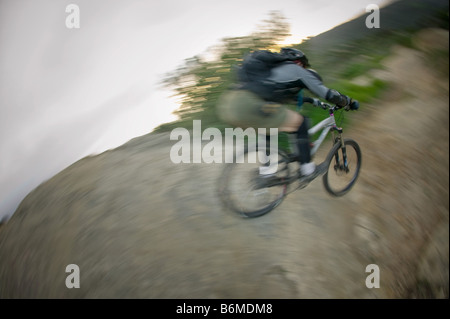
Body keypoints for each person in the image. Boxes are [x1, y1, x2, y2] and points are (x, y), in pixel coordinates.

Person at [216, 47, 359, 181]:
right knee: (301, 122)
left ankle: (266, 172)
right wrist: (347, 102)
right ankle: (307, 169)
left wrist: (314, 102)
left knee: (268, 128)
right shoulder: (296, 70)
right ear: (299, 62)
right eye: (304, 66)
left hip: (231, 104)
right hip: (248, 103)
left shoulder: (271, 73)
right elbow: (326, 93)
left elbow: (290, 96)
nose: (305, 69)